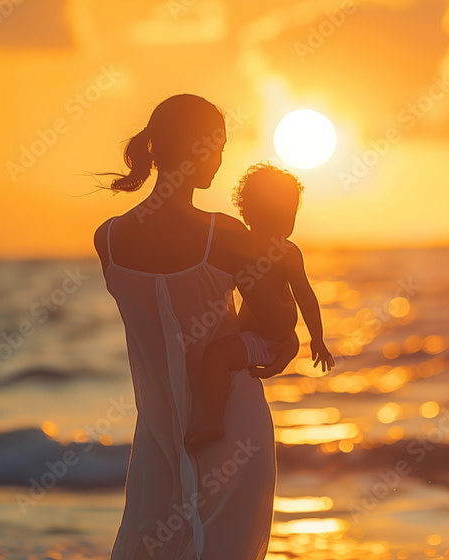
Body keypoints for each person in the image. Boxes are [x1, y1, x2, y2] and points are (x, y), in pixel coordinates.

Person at [93, 94, 294, 560]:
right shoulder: (222, 234)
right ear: (198, 148)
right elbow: (276, 323)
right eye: (218, 146)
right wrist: (285, 342)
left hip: (159, 436)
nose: (221, 159)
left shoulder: (108, 239)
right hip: (232, 431)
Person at [184, 163, 335, 452]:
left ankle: (212, 421)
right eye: (278, 214)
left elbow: (305, 295)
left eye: (289, 214)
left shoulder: (286, 252)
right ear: (249, 213)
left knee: (216, 356)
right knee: (224, 344)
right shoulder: (241, 244)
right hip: (262, 333)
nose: (285, 223)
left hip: (268, 336)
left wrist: (317, 337)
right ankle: (287, 347)